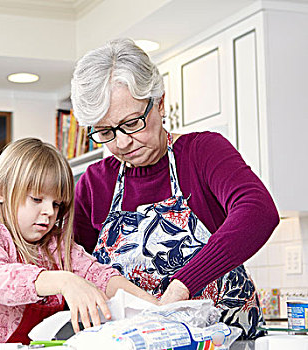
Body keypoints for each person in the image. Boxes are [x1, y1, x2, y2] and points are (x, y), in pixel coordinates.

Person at [70, 38, 279, 340]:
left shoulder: (201, 153)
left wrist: (182, 286)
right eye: (105, 132)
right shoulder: (94, 184)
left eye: (131, 124)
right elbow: (75, 261)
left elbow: (258, 211)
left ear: (160, 103)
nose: (121, 143)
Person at [0, 138, 158, 344]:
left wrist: (157, 308)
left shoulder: (54, 243)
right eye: (37, 199)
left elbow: (99, 275)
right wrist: (64, 281)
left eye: (56, 204)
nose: (49, 212)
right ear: (0, 192)